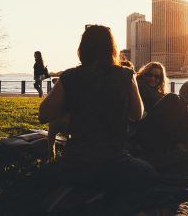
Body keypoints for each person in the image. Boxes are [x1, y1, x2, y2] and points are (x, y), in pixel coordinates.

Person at [38, 25, 156, 195]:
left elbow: (44, 115)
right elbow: (137, 115)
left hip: (75, 167)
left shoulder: (69, 76)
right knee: (149, 173)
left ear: (82, 49)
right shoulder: (126, 75)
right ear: (112, 49)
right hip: (114, 165)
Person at [129, 62, 188, 152]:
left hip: (150, 126)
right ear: (144, 74)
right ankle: (185, 142)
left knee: (180, 99)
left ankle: (187, 142)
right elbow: (159, 99)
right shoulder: (141, 85)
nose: (153, 78)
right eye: (150, 75)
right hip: (139, 130)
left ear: (160, 78)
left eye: (157, 77)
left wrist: (186, 106)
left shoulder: (153, 89)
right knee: (173, 97)